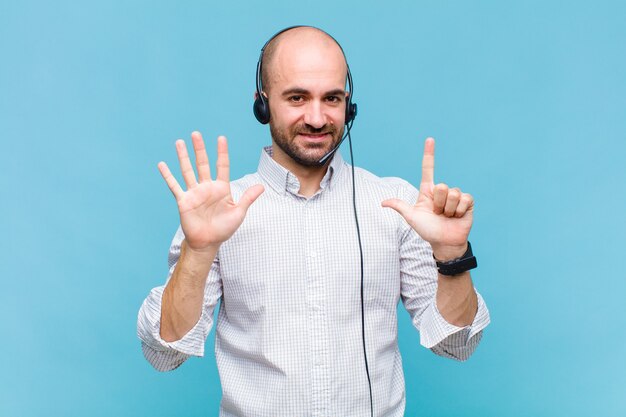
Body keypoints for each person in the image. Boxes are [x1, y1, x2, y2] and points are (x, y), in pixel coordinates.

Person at [137, 26, 490, 417]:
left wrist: (452, 257)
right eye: (297, 97)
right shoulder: (220, 211)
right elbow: (164, 353)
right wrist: (199, 252)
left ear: (349, 106)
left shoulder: (396, 205)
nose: (318, 118)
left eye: (332, 98)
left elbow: (457, 345)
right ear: (262, 103)